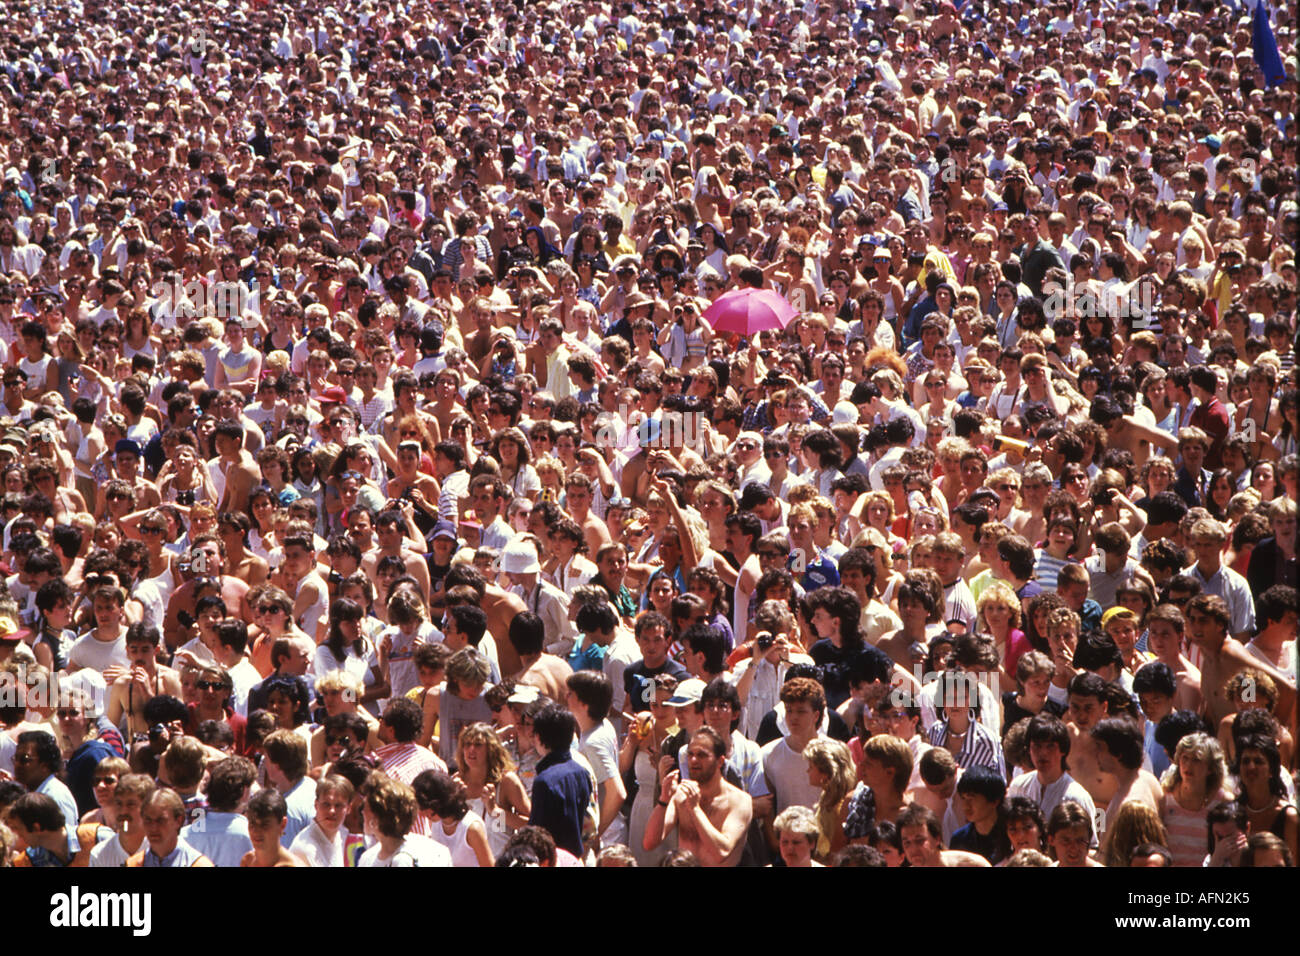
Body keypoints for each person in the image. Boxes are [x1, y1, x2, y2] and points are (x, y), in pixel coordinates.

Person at [644, 727, 753, 867]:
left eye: (702, 755)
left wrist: (695, 809)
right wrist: (664, 800)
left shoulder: (739, 801)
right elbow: (650, 842)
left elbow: (722, 852)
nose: (694, 760)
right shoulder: (681, 796)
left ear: (720, 761)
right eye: (690, 754)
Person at [527, 701, 595, 859]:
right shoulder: (581, 772)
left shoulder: (544, 781)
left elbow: (536, 834)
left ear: (538, 737)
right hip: (574, 858)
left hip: (552, 859)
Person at [357, 774, 452, 868]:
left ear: (377, 818)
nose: (362, 812)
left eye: (365, 807)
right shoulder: (368, 858)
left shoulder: (404, 860)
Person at [897, 804, 991, 867]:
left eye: (919, 840)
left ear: (937, 838)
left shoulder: (972, 864)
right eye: (907, 843)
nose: (913, 849)